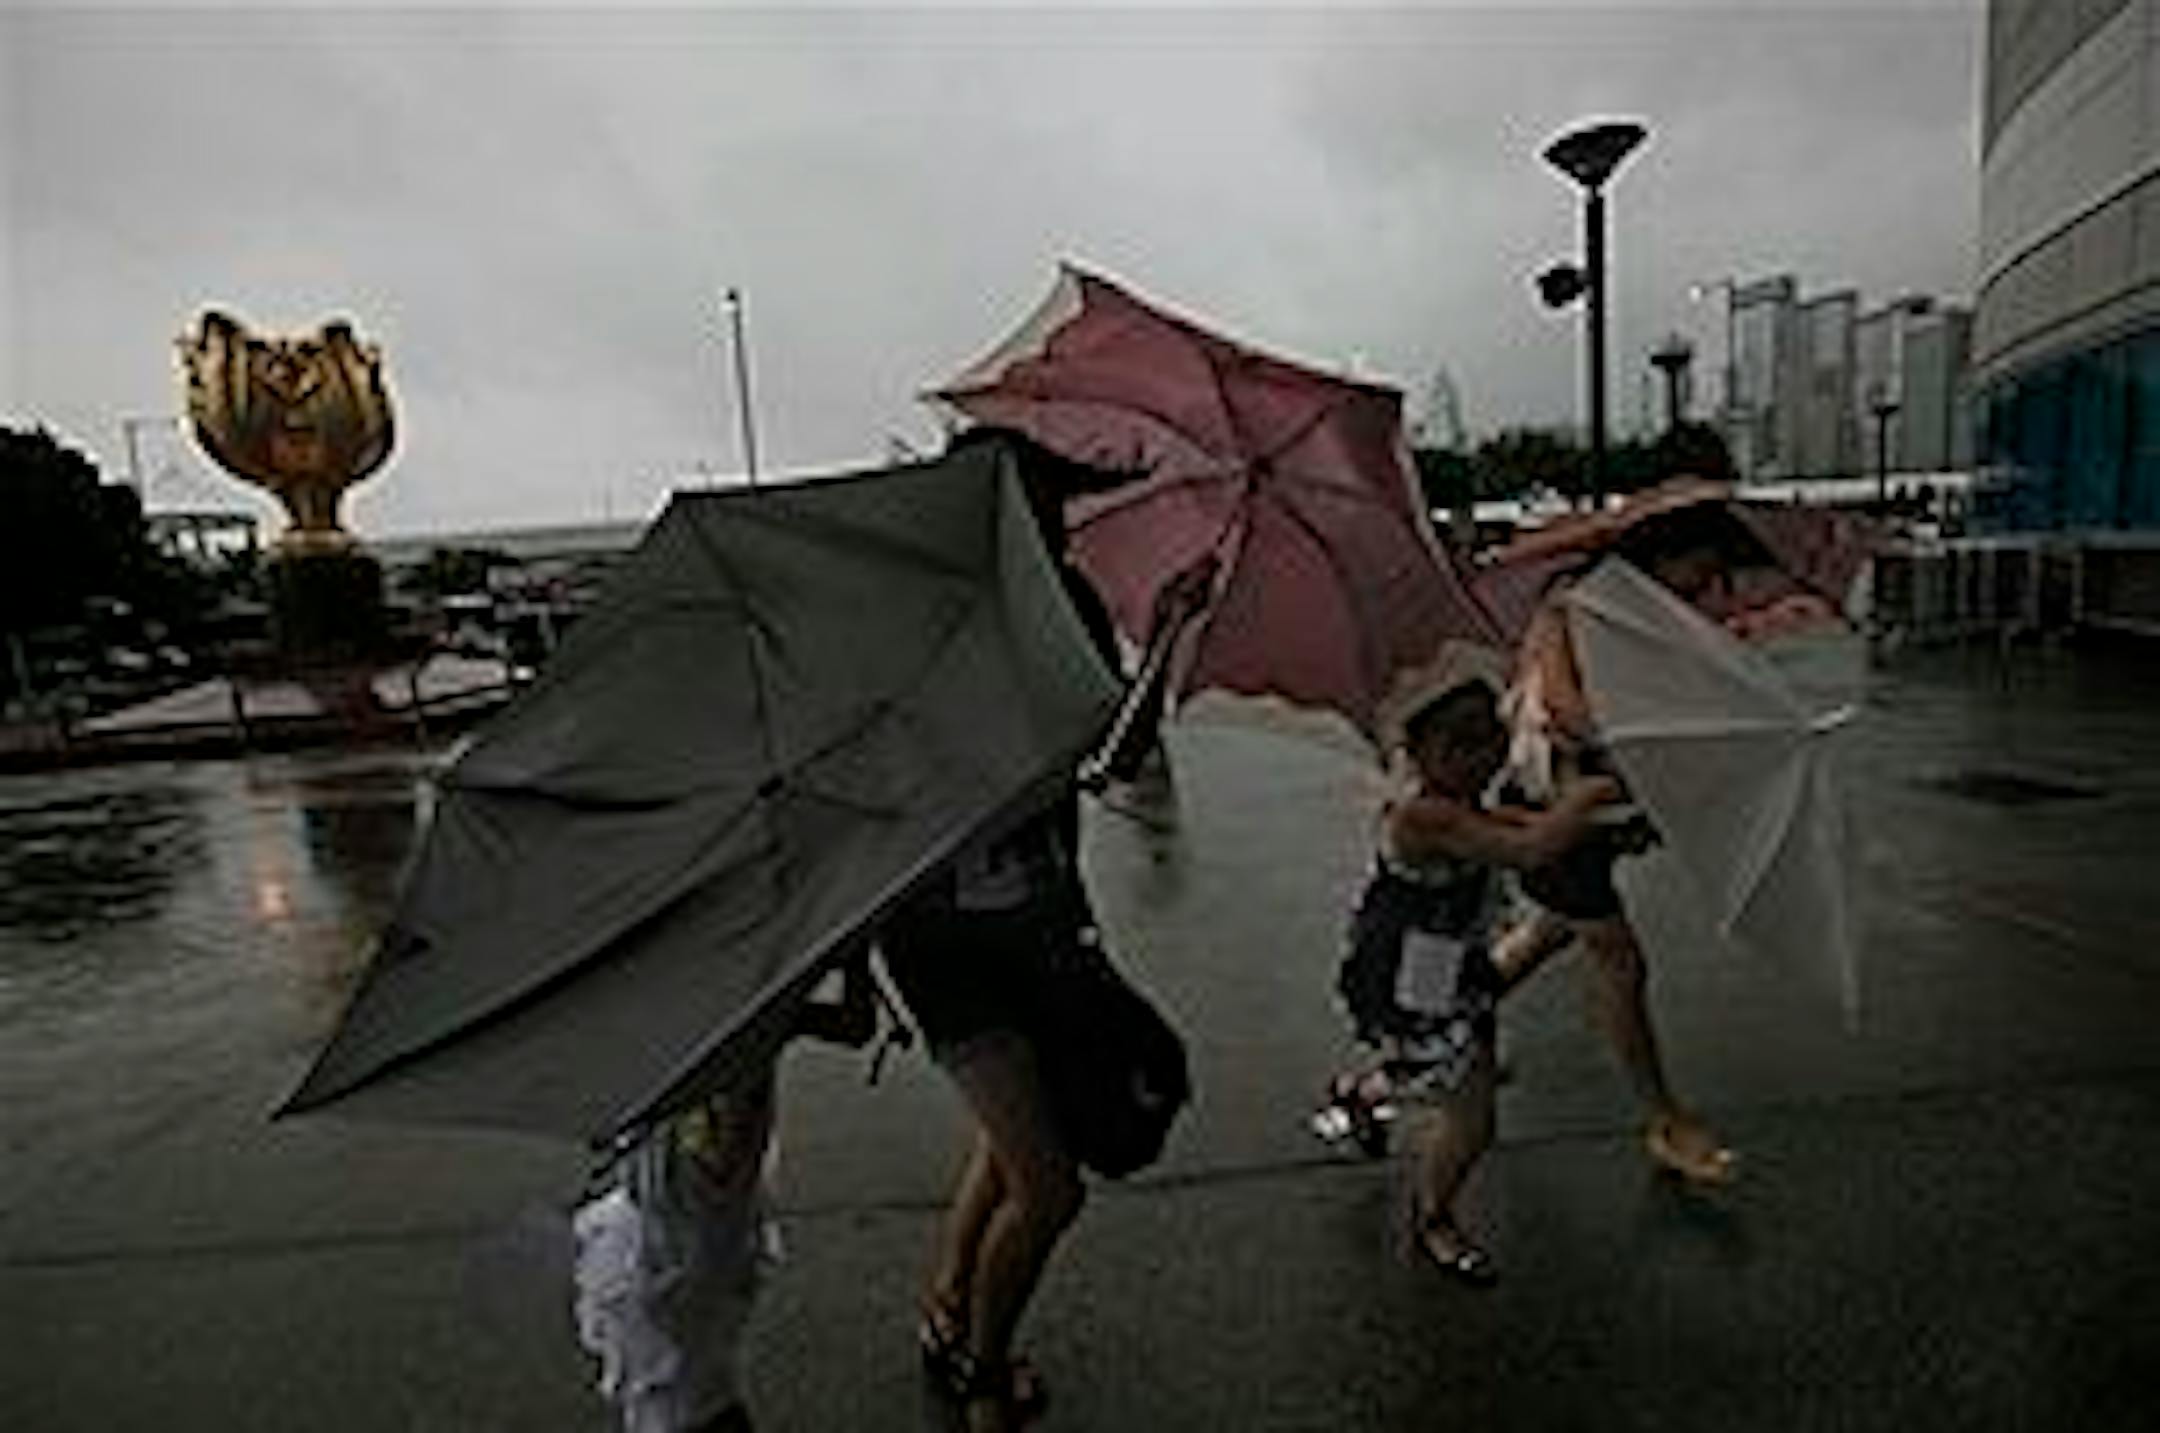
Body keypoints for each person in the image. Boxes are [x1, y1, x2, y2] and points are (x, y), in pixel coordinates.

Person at [879, 454, 1145, 1433]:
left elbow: (1120, 746)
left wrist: (1172, 630)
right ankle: (983, 1369)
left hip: (1039, 917)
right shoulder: (916, 617)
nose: (1050, 531)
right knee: (1050, 1185)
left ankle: (948, 1303)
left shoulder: (1068, 596)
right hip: (939, 941)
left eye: (1053, 513)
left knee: (1018, 1136)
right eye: (1031, 512)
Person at [1486, 502, 1764, 1185]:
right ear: (1662, 554)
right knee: (1620, 961)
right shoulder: (1572, 604)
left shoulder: (1650, 618)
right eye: (1696, 574)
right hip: (1554, 804)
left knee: (1548, 935)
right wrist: (1647, 740)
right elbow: (1564, 705)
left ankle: (1412, 1050)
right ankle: (1665, 1119)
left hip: (1598, 803)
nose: (1700, 590)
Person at [1323, 680, 1621, 1284]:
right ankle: (1434, 1217)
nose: (1481, 758)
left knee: (1449, 1040)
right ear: (1418, 751)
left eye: (1490, 740)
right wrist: (1585, 800)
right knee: (1471, 1113)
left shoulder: (1455, 798)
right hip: (1410, 969)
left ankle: (1363, 1093)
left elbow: (1516, 822)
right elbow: (1529, 848)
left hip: (1440, 957)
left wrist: (1590, 817)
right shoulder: (1425, 811)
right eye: (1460, 747)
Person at [572, 954, 877, 1433]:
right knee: (683, 1385)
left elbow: (720, 1155)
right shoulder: (743, 1001)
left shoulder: (742, 1006)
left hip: (687, 1219)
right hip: (677, 1207)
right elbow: (855, 1024)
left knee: (680, 1390)